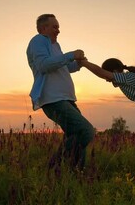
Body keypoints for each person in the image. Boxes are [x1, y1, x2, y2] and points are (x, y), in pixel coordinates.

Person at [26, 14, 95, 169]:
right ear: (43, 28)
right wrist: (71, 55)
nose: (58, 31)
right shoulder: (38, 40)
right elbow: (43, 65)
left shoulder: (55, 46)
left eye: (58, 27)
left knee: (74, 135)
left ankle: (75, 174)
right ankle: (54, 167)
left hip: (66, 99)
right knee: (85, 131)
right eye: (55, 27)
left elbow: (63, 67)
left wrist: (78, 64)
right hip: (53, 100)